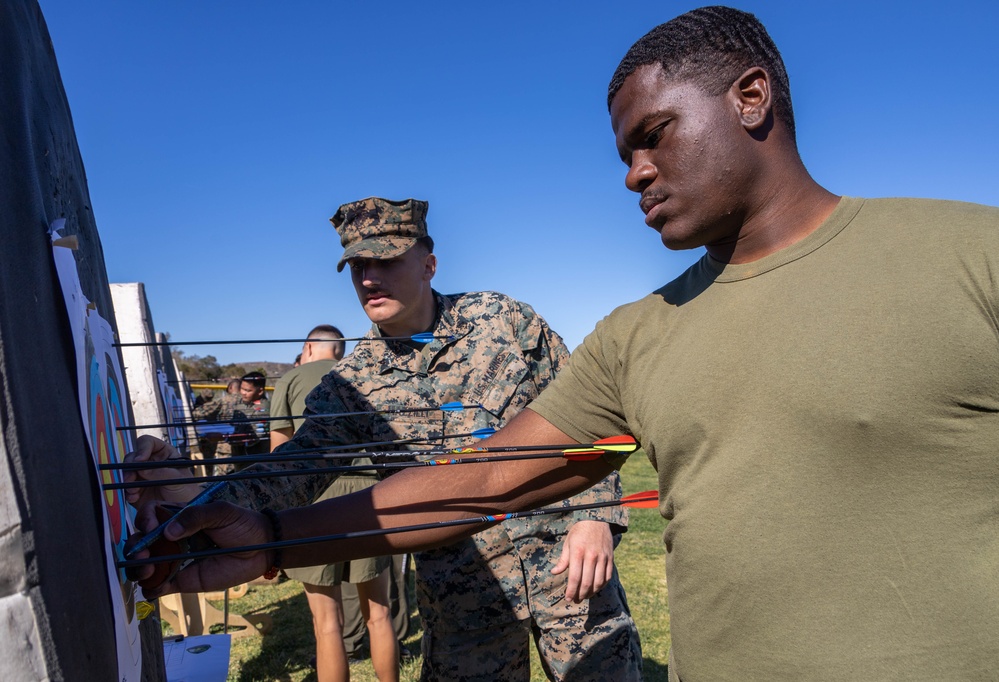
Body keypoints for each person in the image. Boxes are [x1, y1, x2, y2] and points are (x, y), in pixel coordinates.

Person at [133, 6, 999, 680]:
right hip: (469, 602)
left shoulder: (966, 258)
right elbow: (478, 481)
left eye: (653, 134)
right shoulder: (637, 335)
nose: (632, 173)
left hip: (570, 589)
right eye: (623, 152)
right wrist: (274, 537)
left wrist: (590, 523)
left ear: (750, 95)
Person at [270, 324, 399, 682]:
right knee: (379, 614)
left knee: (327, 624)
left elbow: (278, 453)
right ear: (339, 351)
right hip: (372, 499)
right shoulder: (364, 372)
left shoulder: (292, 379)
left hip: (315, 498)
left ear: (309, 347)